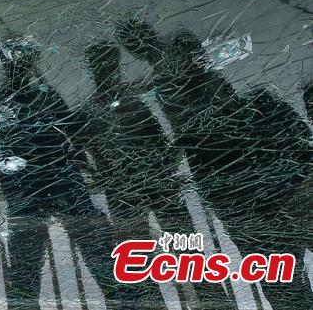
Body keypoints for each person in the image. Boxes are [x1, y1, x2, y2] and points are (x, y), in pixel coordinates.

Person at [117, 20, 313, 307]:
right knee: (284, 286)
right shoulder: (174, 84)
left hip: (250, 187)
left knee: (284, 286)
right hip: (243, 189)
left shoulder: (241, 101)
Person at [0, 35, 133, 309]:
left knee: (30, 257)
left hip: (35, 181)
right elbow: (72, 133)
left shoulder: (8, 101)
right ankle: (123, 299)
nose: (19, 71)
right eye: (18, 65)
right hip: (55, 177)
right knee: (89, 246)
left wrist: (6, 176)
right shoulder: (40, 97)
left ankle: (122, 297)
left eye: (18, 65)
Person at [83, 41, 232, 307]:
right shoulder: (106, 107)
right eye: (103, 66)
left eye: (107, 65)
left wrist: (162, 162)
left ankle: (207, 299)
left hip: (143, 183)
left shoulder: (114, 105)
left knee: (169, 247)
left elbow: (154, 137)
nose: (108, 72)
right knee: (157, 248)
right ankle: (206, 299)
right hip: (137, 185)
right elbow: (152, 138)